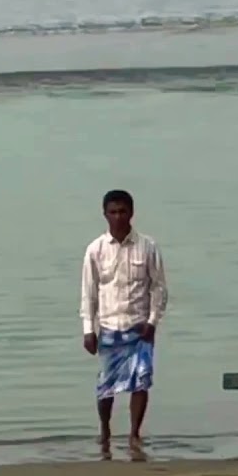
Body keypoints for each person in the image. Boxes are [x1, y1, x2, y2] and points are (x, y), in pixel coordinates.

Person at [79, 189, 167, 457]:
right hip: (109, 326)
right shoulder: (95, 250)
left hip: (140, 326)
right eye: (113, 212)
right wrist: (88, 330)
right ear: (105, 214)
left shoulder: (147, 246)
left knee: (141, 381)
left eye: (122, 211)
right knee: (106, 385)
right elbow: (89, 293)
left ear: (131, 213)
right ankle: (105, 430)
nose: (118, 217)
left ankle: (134, 433)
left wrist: (153, 321)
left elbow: (158, 287)